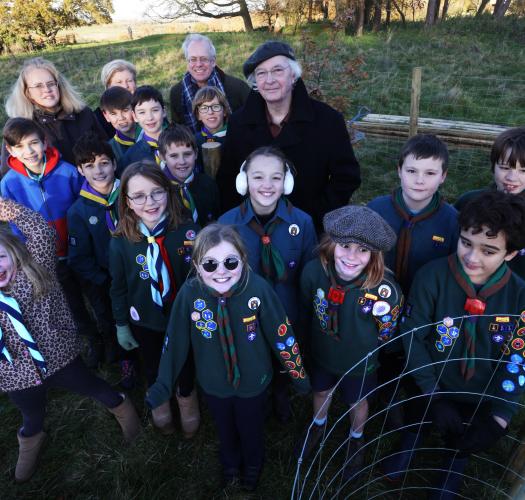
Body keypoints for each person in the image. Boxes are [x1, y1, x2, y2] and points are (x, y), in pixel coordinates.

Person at [146, 224, 310, 491]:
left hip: (253, 381)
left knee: (251, 426)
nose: (221, 271)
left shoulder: (257, 289)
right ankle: (230, 462)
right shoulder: (190, 294)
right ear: (197, 266)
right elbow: (174, 342)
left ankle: (254, 462)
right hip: (213, 382)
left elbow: (282, 335)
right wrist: (163, 385)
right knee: (224, 427)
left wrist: (298, 375)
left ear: (243, 261)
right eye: (210, 264)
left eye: (230, 262)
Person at [386, 191, 525, 499]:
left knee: (466, 433)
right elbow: (412, 335)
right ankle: (412, 436)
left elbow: (520, 357)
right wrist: (432, 393)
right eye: (465, 242)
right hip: (430, 380)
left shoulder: (519, 296)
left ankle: (456, 459)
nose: (472, 258)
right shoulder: (432, 277)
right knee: (417, 410)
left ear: (511, 253)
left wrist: (500, 414)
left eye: (489, 251)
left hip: (480, 393)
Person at [0, 197, 141, 483]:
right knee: (31, 414)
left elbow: (40, 231)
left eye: (0, 257)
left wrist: (4, 207)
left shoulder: (36, 269)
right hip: (15, 374)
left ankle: (123, 409)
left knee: (95, 388)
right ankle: (30, 441)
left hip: (59, 357)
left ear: (15, 252)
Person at [297, 205, 402, 481]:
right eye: (344, 246)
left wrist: (366, 347)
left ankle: (356, 438)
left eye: (363, 250)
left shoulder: (384, 290)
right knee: (321, 392)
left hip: (361, 360)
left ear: (374, 255)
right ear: (330, 243)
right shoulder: (313, 273)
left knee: (358, 401)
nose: (352, 257)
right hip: (324, 353)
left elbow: (387, 329)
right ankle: (318, 425)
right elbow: (308, 306)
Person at [217, 41, 361, 230]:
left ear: (293, 75)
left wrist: (315, 217)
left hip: (309, 229)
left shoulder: (328, 121)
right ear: (255, 83)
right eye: (261, 73)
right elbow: (227, 179)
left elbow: (346, 177)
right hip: (251, 229)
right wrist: (242, 221)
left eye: (277, 70)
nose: (269, 80)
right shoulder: (238, 123)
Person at [219, 146, 317, 422]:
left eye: (276, 178)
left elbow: (309, 272)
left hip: (288, 312)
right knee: (252, 354)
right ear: (244, 181)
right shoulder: (227, 224)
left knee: (283, 355)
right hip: (246, 313)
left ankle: (281, 389)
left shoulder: (303, 222)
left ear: (286, 183)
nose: (267, 185)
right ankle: (257, 390)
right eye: (258, 177)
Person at [109, 161, 200, 437]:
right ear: (127, 200)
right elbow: (119, 287)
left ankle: (187, 400)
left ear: (168, 192)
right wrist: (121, 324)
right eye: (138, 196)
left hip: (182, 320)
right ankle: (161, 403)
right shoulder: (120, 241)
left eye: (157, 192)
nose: (149, 202)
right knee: (153, 364)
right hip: (145, 321)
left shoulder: (188, 232)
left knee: (185, 365)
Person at [1, 118, 100, 366]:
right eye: (21, 147)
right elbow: (16, 227)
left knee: (95, 295)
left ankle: (111, 340)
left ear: (44, 142)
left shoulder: (67, 172)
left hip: (78, 250)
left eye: (34, 143)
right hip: (44, 259)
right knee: (69, 303)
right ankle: (87, 341)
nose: (30, 151)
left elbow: (84, 208)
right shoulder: (9, 184)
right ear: (11, 151)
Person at [68, 132, 136, 384]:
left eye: (104, 163)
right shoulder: (78, 211)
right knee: (110, 319)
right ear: (80, 170)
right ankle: (126, 360)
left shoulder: (131, 196)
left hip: (139, 271)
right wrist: (105, 280)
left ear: (114, 164)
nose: (99, 170)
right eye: (89, 165)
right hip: (106, 281)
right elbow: (79, 258)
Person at [368, 134, 459, 295]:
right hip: (373, 297)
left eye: (430, 173)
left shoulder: (453, 221)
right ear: (399, 171)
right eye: (411, 171)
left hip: (425, 302)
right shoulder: (375, 210)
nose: (419, 180)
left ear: (443, 176)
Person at [3, 57, 106, 171]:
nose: (47, 89)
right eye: (38, 86)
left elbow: (106, 151)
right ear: (28, 93)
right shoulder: (19, 125)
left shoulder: (83, 113)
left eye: (51, 84)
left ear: (59, 86)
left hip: (93, 184)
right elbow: (8, 172)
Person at [455, 127, 525, 278]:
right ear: (493, 166)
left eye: (523, 171)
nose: (512, 178)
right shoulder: (468, 202)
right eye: (505, 167)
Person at [169, 33, 250, 133]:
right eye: (193, 59)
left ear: (213, 61)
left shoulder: (238, 88)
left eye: (204, 59)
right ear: (187, 63)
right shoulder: (177, 93)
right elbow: (177, 131)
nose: (198, 64)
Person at [159, 125, 220, 227]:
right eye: (174, 156)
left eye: (187, 154)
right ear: (163, 157)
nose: (182, 162)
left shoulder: (208, 184)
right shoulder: (159, 191)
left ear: (196, 153)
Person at [119, 86, 167, 174]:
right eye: (142, 112)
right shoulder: (131, 156)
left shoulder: (181, 141)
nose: (149, 117)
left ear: (163, 111)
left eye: (155, 110)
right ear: (134, 116)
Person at [94, 59, 138, 137]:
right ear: (108, 87)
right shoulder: (98, 120)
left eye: (129, 81)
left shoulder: (146, 105)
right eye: (119, 82)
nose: (125, 86)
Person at [100, 86, 140, 170]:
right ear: (106, 116)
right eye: (113, 114)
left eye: (125, 110)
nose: (121, 118)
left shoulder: (150, 133)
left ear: (134, 108)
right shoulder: (110, 150)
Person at [192, 86, 230, 170]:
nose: (210, 112)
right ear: (198, 115)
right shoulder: (193, 141)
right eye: (204, 108)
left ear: (224, 111)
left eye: (215, 106)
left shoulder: (235, 137)